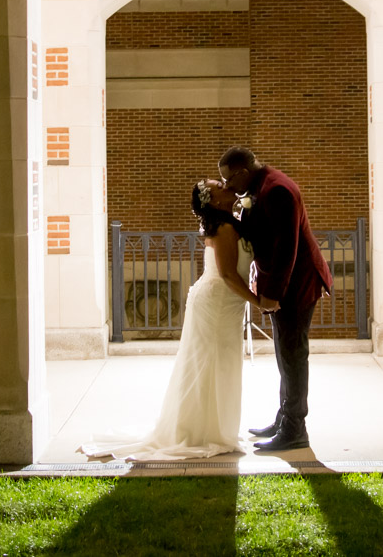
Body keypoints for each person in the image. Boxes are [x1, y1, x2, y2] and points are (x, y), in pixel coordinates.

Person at [79, 179, 273, 460]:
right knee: (212, 365)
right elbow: (229, 274)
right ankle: (202, 432)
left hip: (225, 303)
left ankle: (211, 428)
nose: (224, 183)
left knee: (219, 364)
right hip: (217, 303)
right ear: (213, 199)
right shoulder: (225, 228)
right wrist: (259, 302)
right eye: (217, 184)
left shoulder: (231, 221)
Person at [219, 146, 332, 453]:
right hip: (283, 283)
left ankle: (296, 429)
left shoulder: (278, 189)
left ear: (243, 171)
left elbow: (287, 249)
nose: (229, 186)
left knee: (293, 355)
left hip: (296, 284)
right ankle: (284, 417)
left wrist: (271, 295)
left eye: (229, 180)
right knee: (285, 354)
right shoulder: (261, 186)